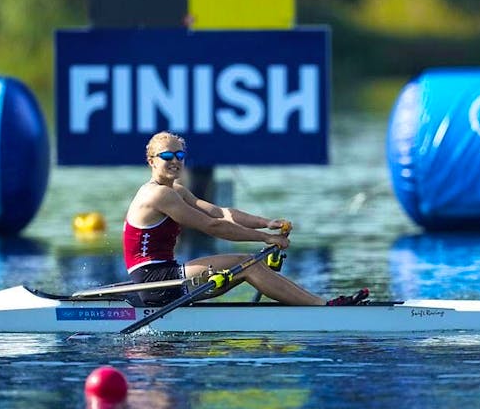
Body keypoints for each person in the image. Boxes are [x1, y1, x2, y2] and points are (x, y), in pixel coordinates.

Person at [123, 131, 368, 307]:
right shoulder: (159, 195)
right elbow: (212, 226)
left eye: (179, 154)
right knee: (247, 264)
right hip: (153, 282)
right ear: (151, 161)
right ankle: (322, 307)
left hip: (166, 274)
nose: (175, 161)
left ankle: (320, 303)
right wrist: (265, 238)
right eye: (167, 155)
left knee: (249, 264)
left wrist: (266, 223)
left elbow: (221, 213)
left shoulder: (176, 190)